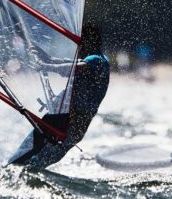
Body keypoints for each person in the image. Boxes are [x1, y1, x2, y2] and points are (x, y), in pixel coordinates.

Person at [10, 23, 110, 168]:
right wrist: (48, 59)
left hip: (72, 125)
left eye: (80, 42)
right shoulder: (92, 59)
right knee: (29, 160)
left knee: (34, 162)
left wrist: (47, 66)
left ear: (89, 41)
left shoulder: (98, 60)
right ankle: (12, 170)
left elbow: (74, 68)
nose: (78, 46)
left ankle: (13, 172)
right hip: (63, 121)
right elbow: (69, 63)